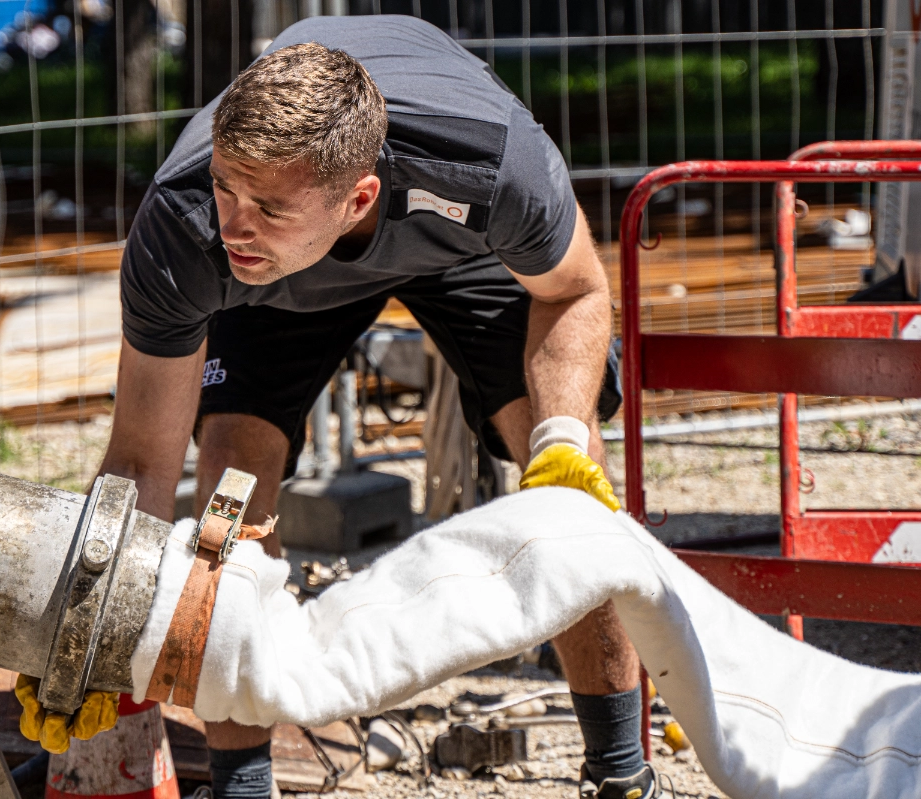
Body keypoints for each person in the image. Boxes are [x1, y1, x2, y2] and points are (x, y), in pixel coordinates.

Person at [98, 14, 651, 799]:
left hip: (458, 250)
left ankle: (621, 771)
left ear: (358, 196)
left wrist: (562, 443)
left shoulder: (491, 163)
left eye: (266, 203)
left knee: (566, 480)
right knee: (229, 483)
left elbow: (576, 291)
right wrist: (94, 628)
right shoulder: (188, 230)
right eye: (226, 186)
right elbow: (142, 462)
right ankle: (242, 784)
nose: (234, 221)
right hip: (279, 287)